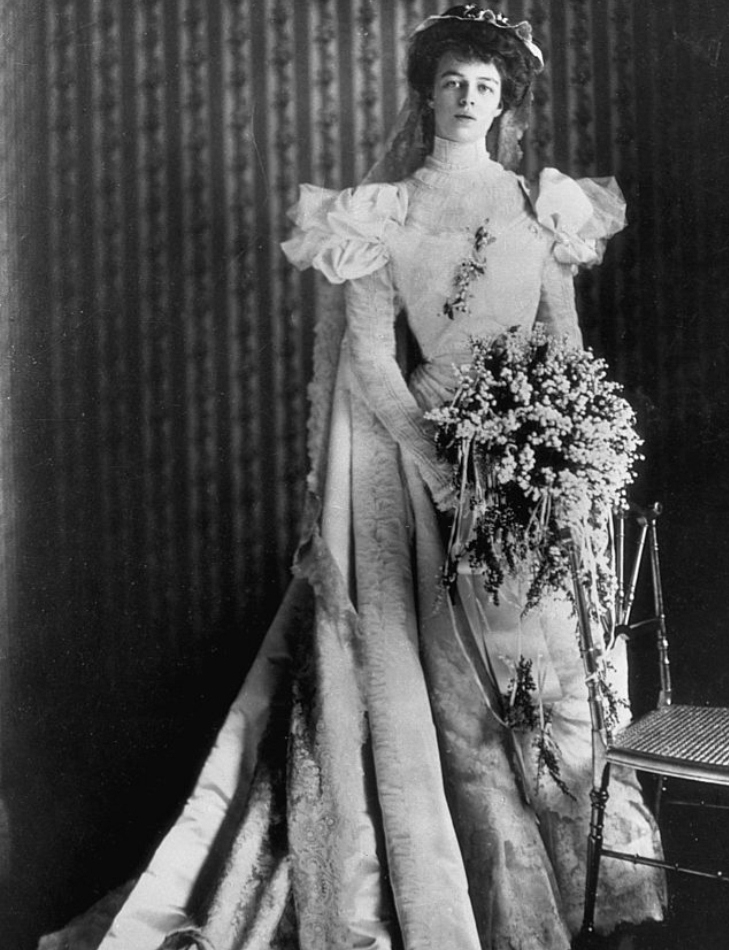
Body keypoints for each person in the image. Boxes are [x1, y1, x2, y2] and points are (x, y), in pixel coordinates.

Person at [79, 7, 666, 950]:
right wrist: (439, 464)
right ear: (426, 95)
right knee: (452, 678)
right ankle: (466, 901)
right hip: (428, 448)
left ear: (505, 100)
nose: (469, 99)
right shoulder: (378, 215)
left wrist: (566, 444)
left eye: (485, 86)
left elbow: (564, 338)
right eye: (452, 84)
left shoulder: (542, 207)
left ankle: (589, 887)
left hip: (534, 451)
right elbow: (371, 363)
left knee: (554, 667)